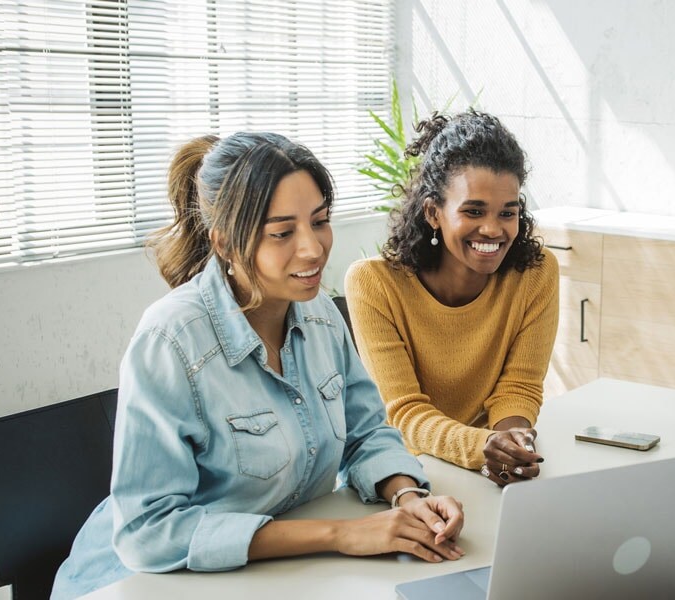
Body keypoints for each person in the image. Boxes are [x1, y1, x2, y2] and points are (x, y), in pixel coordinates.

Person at [52, 133, 465, 599]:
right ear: (225, 244)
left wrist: (409, 500)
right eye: (282, 232)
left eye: (321, 221)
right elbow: (148, 531)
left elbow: (366, 432)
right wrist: (340, 535)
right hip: (136, 584)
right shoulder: (170, 341)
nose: (313, 249)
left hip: (267, 580)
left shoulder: (320, 314)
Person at [345, 110, 558, 486]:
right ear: (433, 212)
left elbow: (518, 387)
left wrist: (514, 444)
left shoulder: (536, 274)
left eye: (507, 212)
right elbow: (403, 414)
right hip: (404, 477)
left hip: (484, 473)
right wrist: (485, 447)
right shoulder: (374, 284)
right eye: (473, 211)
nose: (493, 229)